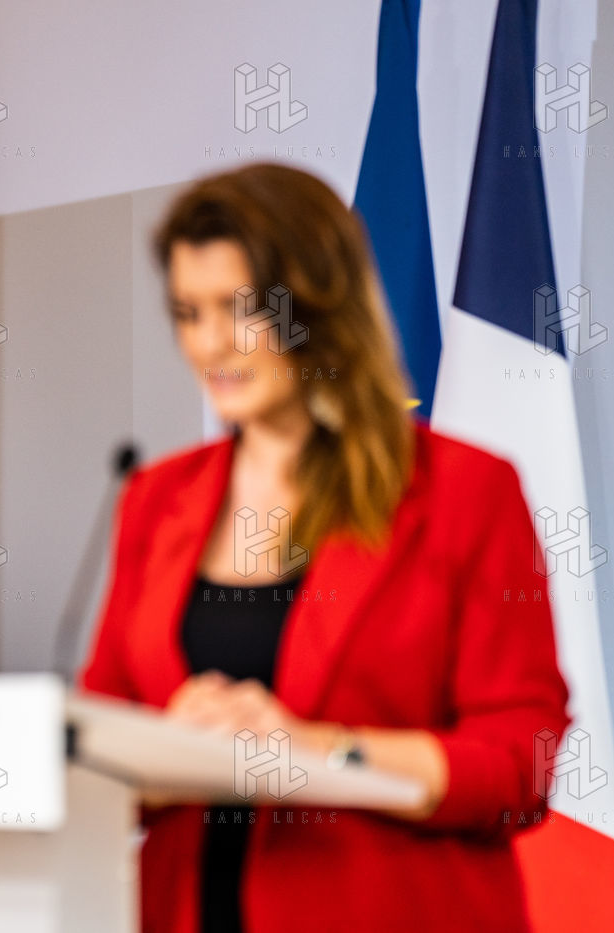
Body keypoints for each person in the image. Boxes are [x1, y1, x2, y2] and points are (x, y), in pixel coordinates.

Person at [79, 163, 570, 932]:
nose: (211, 342)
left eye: (241, 308)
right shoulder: (155, 498)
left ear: (317, 301)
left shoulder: (466, 490)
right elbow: (97, 743)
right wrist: (172, 752)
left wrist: (314, 750)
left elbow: (520, 762)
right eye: (188, 312)